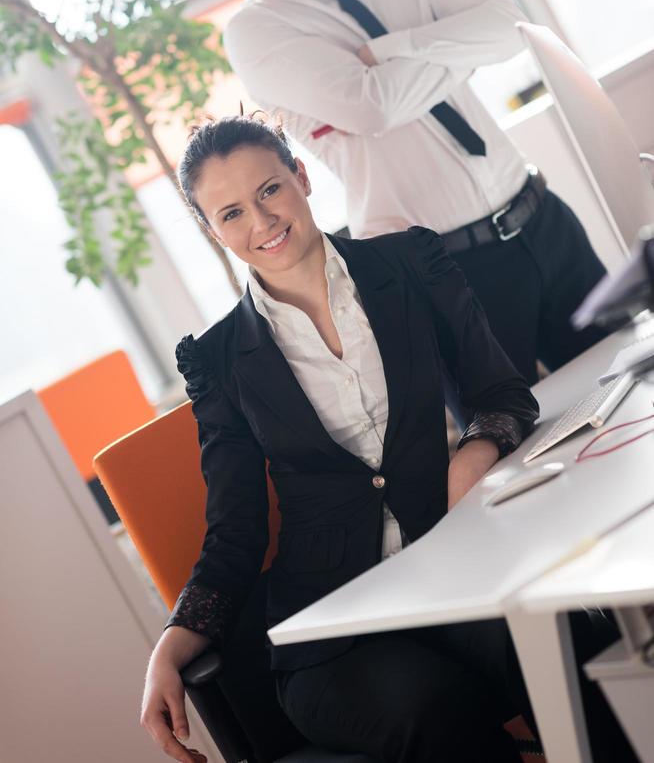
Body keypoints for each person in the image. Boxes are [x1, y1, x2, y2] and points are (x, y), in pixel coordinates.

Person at [140, 117, 630, 763]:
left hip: (456, 570)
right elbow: (237, 528)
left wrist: (474, 453)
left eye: (269, 190)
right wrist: (171, 645)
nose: (260, 222)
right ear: (212, 231)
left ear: (302, 177)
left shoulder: (411, 263)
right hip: (334, 634)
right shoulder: (220, 360)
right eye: (230, 213)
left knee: (571, 642)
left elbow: (502, 393)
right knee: (432, 711)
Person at [199, 0, 607, 387]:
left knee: (640, 391)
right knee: (512, 451)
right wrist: (455, 46)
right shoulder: (257, 30)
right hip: (444, 275)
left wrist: (395, 47)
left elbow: (509, 23)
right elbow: (373, 108)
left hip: (544, 223)